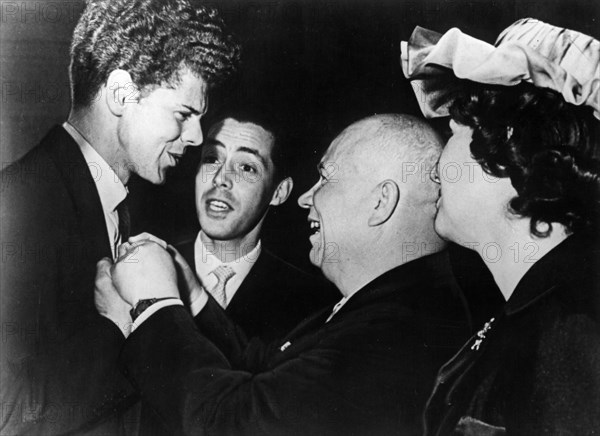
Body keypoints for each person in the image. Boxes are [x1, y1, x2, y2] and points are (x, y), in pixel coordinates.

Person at [96, 114, 471, 435]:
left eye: (325, 179)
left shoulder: (399, 334)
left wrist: (154, 305)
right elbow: (265, 371)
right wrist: (194, 298)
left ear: (380, 202)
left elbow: (236, 421)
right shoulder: (386, 307)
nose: (307, 197)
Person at [0, 0, 239, 434]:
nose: (197, 138)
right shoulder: (16, 205)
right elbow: (10, 412)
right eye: (184, 114)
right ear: (121, 94)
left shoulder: (120, 202)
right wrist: (123, 327)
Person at [402, 18, 600, 434]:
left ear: (511, 141)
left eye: (455, 129)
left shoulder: (575, 330)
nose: (438, 160)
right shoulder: (536, 313)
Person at [173, 107, 338, 341]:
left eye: (246, 167)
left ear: (279, 192)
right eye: (211, 158)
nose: (220, 178)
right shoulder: (150, 267)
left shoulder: (312, 303)